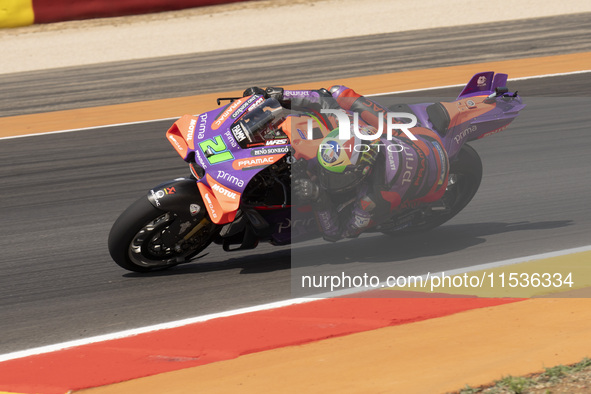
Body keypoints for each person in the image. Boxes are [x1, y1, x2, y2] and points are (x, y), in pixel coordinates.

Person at [242, 86, 449, 242]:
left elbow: (338, 233)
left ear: (361, 174)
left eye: (335, 175)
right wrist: (278, 96)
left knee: (373, 214)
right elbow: (322, 100)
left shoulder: (372, 199)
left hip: (434, 180)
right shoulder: (350, 127)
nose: (324, 176)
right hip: (414, 138)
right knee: (337, 92)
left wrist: (318, 195)